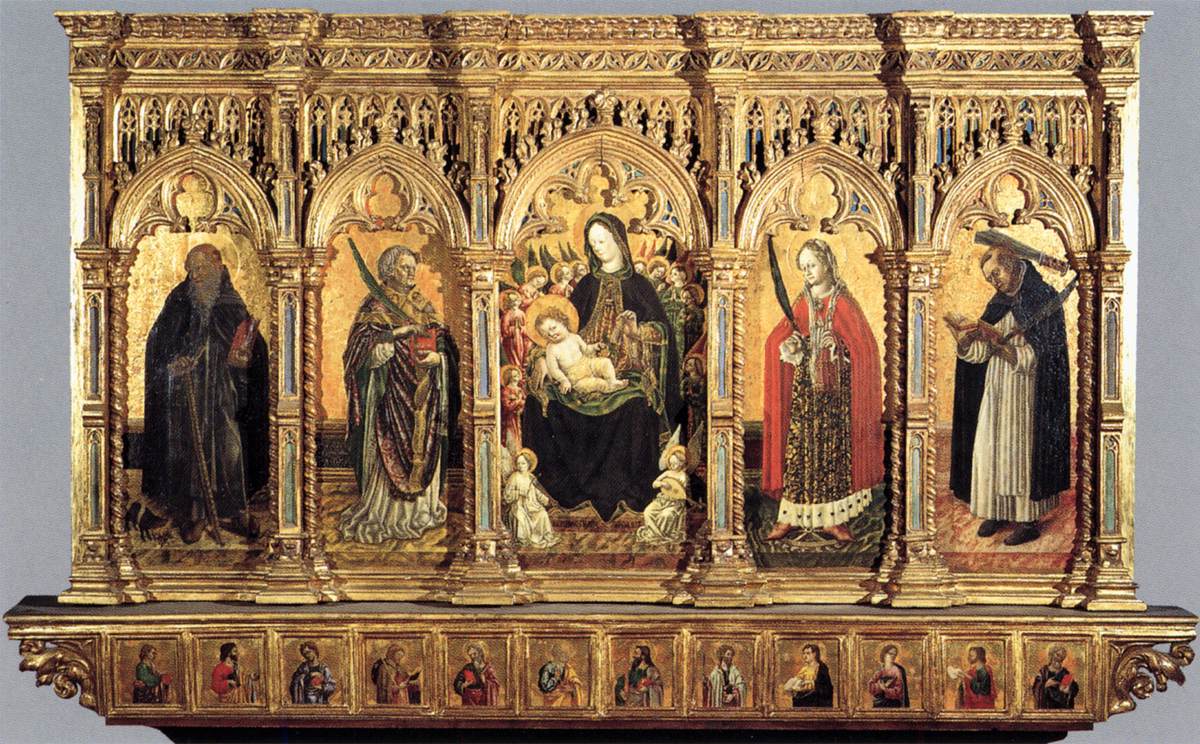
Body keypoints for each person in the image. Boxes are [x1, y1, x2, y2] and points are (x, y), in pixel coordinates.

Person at [521, 213, 680, 519]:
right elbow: (559, 327)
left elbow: (663, 332)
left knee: (636, 405)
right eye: (593, 243)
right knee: (541, 401)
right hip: (577, 368)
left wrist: (637, 331)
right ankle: (564, 488)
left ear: (618, 241)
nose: (598, 248)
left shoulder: (640, 286)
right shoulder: (586, 286)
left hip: (627, 369)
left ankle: (624, 490)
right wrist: (542, 357)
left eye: (603, 241)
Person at [142, 243, 268, 544]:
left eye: (200, 268)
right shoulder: (179, 300)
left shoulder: (231, 303)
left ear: (218, 267)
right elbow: (160, 342)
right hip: (187, 395)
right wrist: (174, 361)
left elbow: (252, 349)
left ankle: (236, 511)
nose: (194, 275)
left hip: (225, 395)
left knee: (230, 449)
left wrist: (245, 358)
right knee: (191, 450)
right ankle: (196, 514)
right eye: (190, 269)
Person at [761, 238, 884, 543]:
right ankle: (789, 517)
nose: (807, 272)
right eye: (802, 267)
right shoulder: (802, 301)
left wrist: (839, 346)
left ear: (827, 264)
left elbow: (865, 349)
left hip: (835, 396)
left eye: (812, 265)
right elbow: (782, 336)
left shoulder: (843, 303)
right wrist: (791, 345)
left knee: (832, 454)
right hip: (805, 395)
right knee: (799, 453)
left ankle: (833, 520)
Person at [949, 245, 1071, 546]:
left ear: (1012, 264)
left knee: (1018, 455)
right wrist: (965, 343)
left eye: (996, 274)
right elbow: (981, 354)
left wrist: (1003, 348)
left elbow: (1044, 356)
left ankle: (1028, 521)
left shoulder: (1042, 298)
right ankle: (997, 510)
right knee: (993, 451)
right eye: (989, 278)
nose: (994, 282)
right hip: (996, 392)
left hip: (1026, 395)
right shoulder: (999, 302)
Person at [340, 245, 460, 544]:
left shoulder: (421, 302)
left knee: (423, 444)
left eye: (412, 267)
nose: (411, 272)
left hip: (424, 391)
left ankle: (420, 511)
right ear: (388, 271)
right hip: (389, 395)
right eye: (404, 267)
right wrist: (392, 338)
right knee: (388, 446)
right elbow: (358, 349)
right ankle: (385, 514)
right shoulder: (375, 304)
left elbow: (442, 341)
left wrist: (439, 358)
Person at [534, 305, 629, 396]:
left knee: (605, 362)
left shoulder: (574, 337)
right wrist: (564, 380)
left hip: (588, 364)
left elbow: (586, 350)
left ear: (562, 322)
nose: (551, 334)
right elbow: (553, 369)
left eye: (553, 328)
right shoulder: (551, 349)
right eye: (546, 334)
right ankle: (610, 388)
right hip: (576, 378)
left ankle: (613, 381)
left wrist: (595, 347)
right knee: (597, 383)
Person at [502, 449, 559, 548]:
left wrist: (546, 500)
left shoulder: (531, 477)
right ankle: (523, 540)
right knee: (519, 516)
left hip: (532, 505)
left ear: (529, 465)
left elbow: (537, 492)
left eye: (523, 463)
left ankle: (547, 537)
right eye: (518, 463)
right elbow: (507, 494)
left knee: (543, 514)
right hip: (518, 505)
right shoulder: (514, 477)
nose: (520, 466)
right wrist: (518, 493)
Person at [636, 444, 688, 546]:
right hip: (662, 500)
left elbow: (681, 493)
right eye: (671, 463)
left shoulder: (683, 476)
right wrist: (662, 484)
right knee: (648, 512)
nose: (672, 466)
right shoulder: (667, 473)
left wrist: (674, 490)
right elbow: (654, 484)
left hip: (675, 503)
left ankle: (661, 536)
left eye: (675, 464)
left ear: (681, 463)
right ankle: (655, 535)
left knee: (666, 515)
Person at [784, 643, 834, 708]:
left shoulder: (821, 668)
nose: (805, 656)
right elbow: (798, 680)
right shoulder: (804, 669)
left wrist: (811, 682)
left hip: (815, 699)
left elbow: (826, 687)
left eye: (808, 653)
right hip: (803, 697)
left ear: (814, 654)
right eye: (804, 653)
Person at [1031, 645, 1078, 709]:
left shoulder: (1065, 673)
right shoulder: (1043, 672)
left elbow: (1074, 688)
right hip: (1047, 707)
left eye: (1062, 656)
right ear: (1052, 655)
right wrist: (1046, 684)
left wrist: (1069, 690)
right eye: (1058, 655)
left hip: (1061, 708)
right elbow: (1036, 689)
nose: (1059, 658)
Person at [868, 644, 910, 708]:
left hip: (892, 703)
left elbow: (898, 692)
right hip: (879, 702)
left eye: (895, 654)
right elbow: (871, 687)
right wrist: (880, 687)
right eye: (890, 654)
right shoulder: (879, 670)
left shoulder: (897, 670)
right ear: (884, 654)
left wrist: (885, 689)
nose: (893, 656)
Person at [500, 290, 531, 370]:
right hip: (510, 341)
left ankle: (521, 367)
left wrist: (521, 329)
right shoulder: (507, 315)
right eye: (512, 301)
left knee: (521, 353)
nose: (514, 303)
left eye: (516, 301)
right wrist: (514, 329)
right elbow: (505, 330)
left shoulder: (521, 313)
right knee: (513, 356)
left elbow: (526, 327)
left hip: (520, 339)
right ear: (508, 303)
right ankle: (516, 369)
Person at [499, 365, 526, 449]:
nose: (517, 378)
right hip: (510, 419)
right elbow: (507, 406)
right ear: (509, 378)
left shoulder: (520, 390)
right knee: (511, 439)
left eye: (517, 375)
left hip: (520, 417)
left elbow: (525, 402)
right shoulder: (505, 390)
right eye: (514, 376)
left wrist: (521, 404)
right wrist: (518, 401)